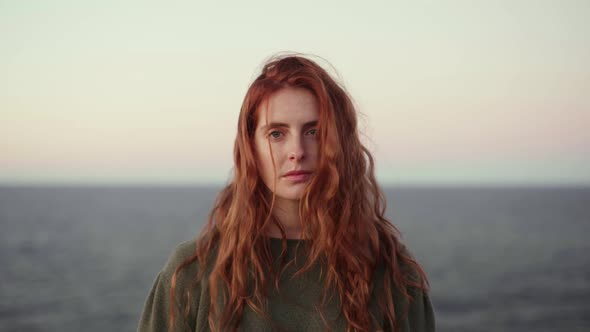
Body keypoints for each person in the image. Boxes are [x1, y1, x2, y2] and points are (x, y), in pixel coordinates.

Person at [137, 54, 436, 332]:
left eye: (314, 132)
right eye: (277, 134)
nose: (297, 152)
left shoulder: (391, 273)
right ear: (250, 148)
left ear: (340, 142)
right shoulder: (193, 274)